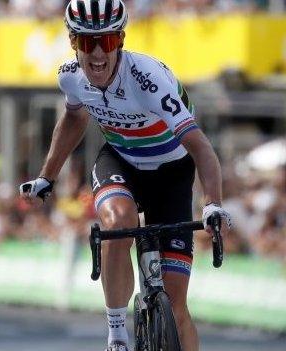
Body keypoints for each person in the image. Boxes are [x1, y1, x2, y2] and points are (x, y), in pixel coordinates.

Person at [19, 1, 232, 350]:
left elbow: (202, 147)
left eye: (108, 40)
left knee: (176, 306)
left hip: (172, 173)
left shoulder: (148, 81)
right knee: (119, 223)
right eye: (88, 43)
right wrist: (47, 177)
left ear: (121, 39)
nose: (99, 53)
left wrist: (213, 205)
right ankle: (117, 334)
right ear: (73, 42)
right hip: (121, 162)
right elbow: (74, 119)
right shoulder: (70, 76)